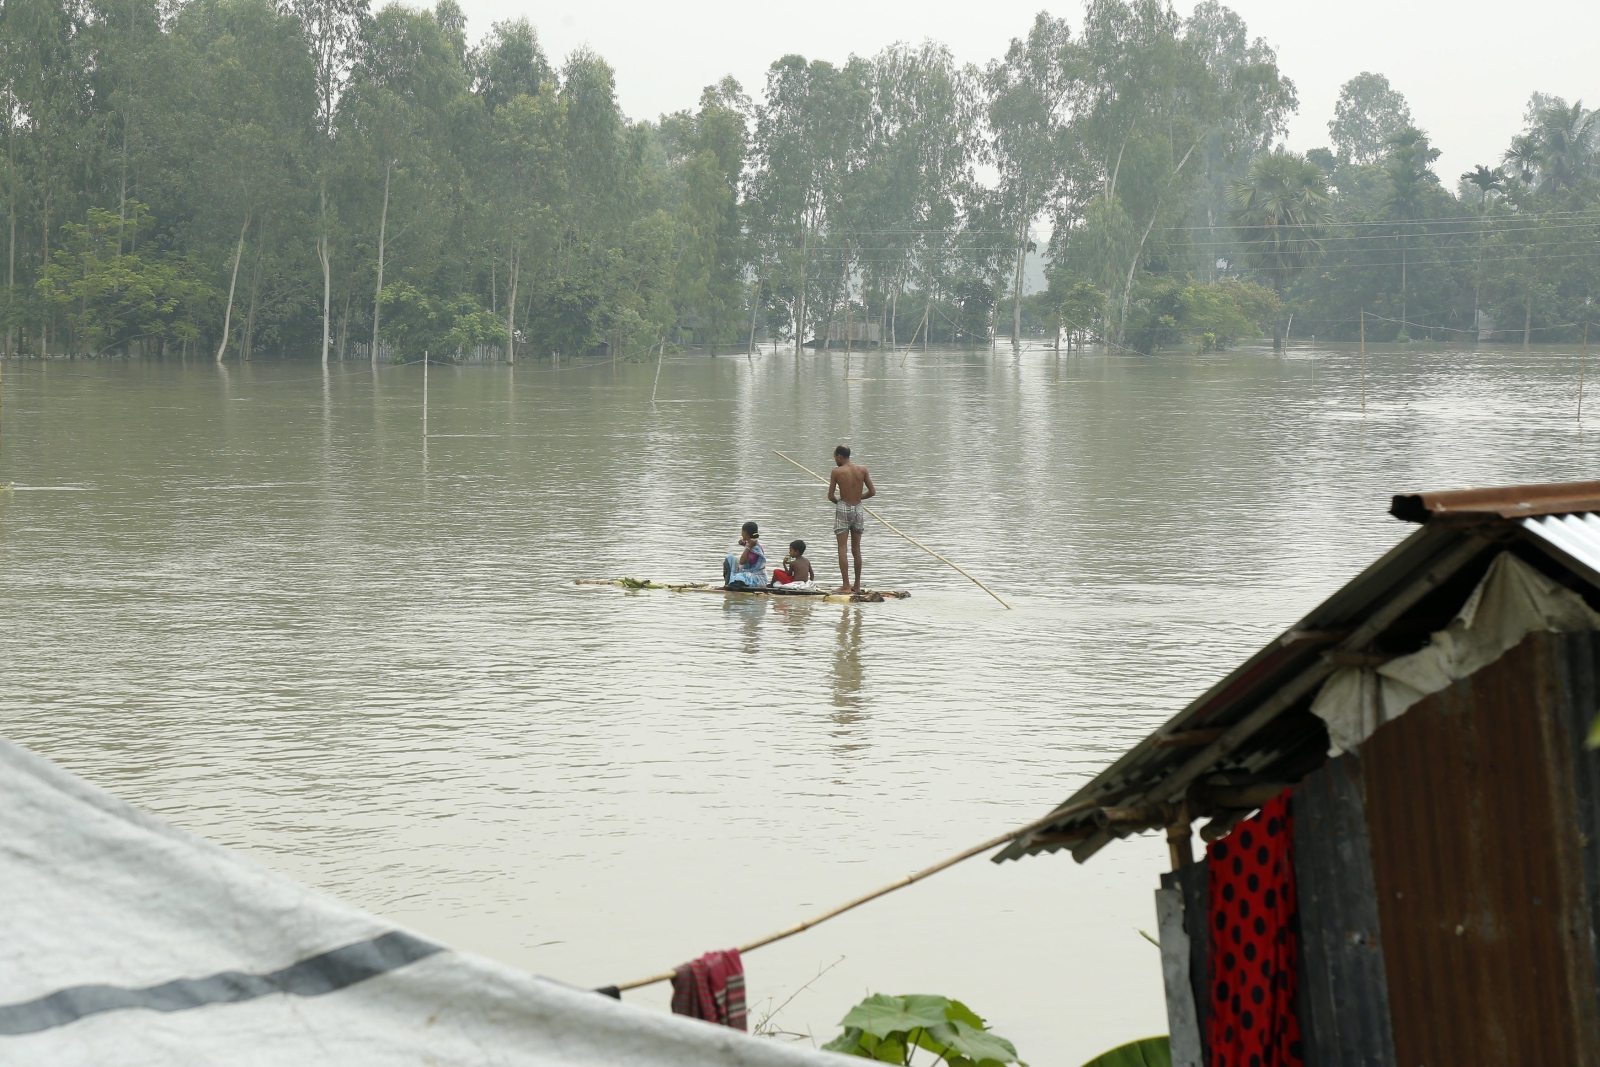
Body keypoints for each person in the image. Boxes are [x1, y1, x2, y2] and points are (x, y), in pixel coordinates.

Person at [827, 445, 875, 594]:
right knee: (856, 550)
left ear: (840, 456)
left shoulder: (837, 472)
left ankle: (846, 586)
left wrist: (840, 503)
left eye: (835, 457)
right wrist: (858, 497)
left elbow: (830, 496)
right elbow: (872, 492)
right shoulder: (863, 469)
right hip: (858, 509)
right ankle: (857, 586)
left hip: (843, 508)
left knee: (842, 549)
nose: (835, 460)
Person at [723, 521, 767, 589]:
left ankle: (731, 586)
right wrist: (745, 545)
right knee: (730, 559)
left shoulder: (755, 548)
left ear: (746, 533)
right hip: (748, 572)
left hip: (757, 577)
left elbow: (742, 561)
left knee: (739, 577)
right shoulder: (750, 544)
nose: (741, 534)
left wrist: (748, 546)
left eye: (742, 532)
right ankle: (728, 584)